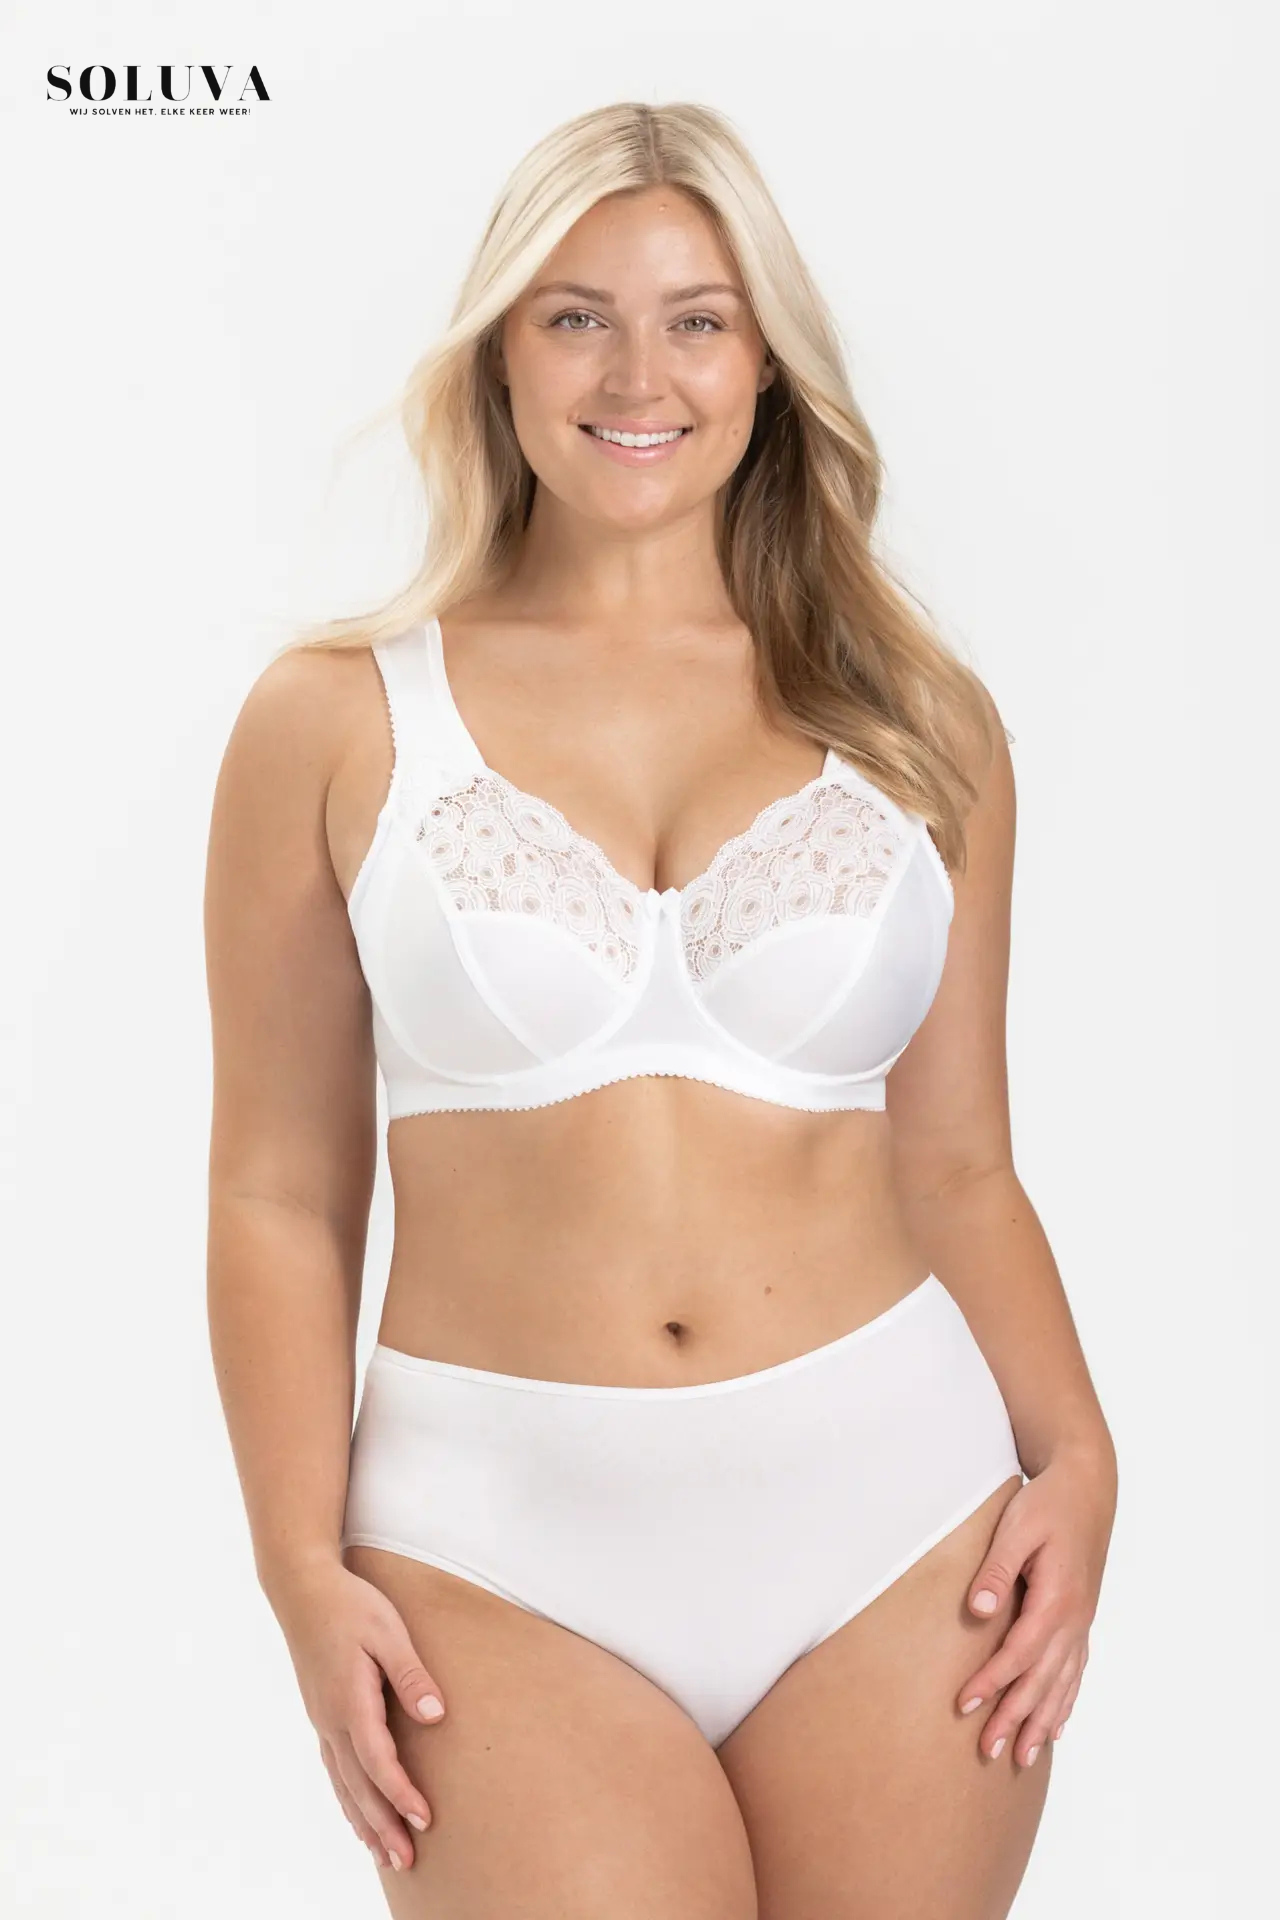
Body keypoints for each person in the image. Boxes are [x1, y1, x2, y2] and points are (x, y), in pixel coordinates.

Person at [204, 99, 1118, 1917]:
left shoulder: (921, 722)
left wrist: (1082, 1452)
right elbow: (278, 1194)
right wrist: (298, 1567)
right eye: (577, 317)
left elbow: (958, 1165)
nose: (640, 375)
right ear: (501, 355)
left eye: (698, 319)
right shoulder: (335, 718)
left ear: (767, 360)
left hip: (898, 1520)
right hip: (493, 1553)